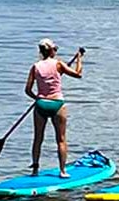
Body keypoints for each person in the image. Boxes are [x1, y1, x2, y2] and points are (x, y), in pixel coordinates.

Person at [24, 38, 83, 178]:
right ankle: (62, 171)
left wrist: (37, 98)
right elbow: (78, 74)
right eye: (55, 49)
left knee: (38, 138)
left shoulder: (35, 66)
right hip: (57, 104)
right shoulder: (58, 64)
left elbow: (27, 90)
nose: (56, 51)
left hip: (41, 104)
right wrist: (79, 59)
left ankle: (35, 170)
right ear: (51, 50)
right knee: (61, 139)